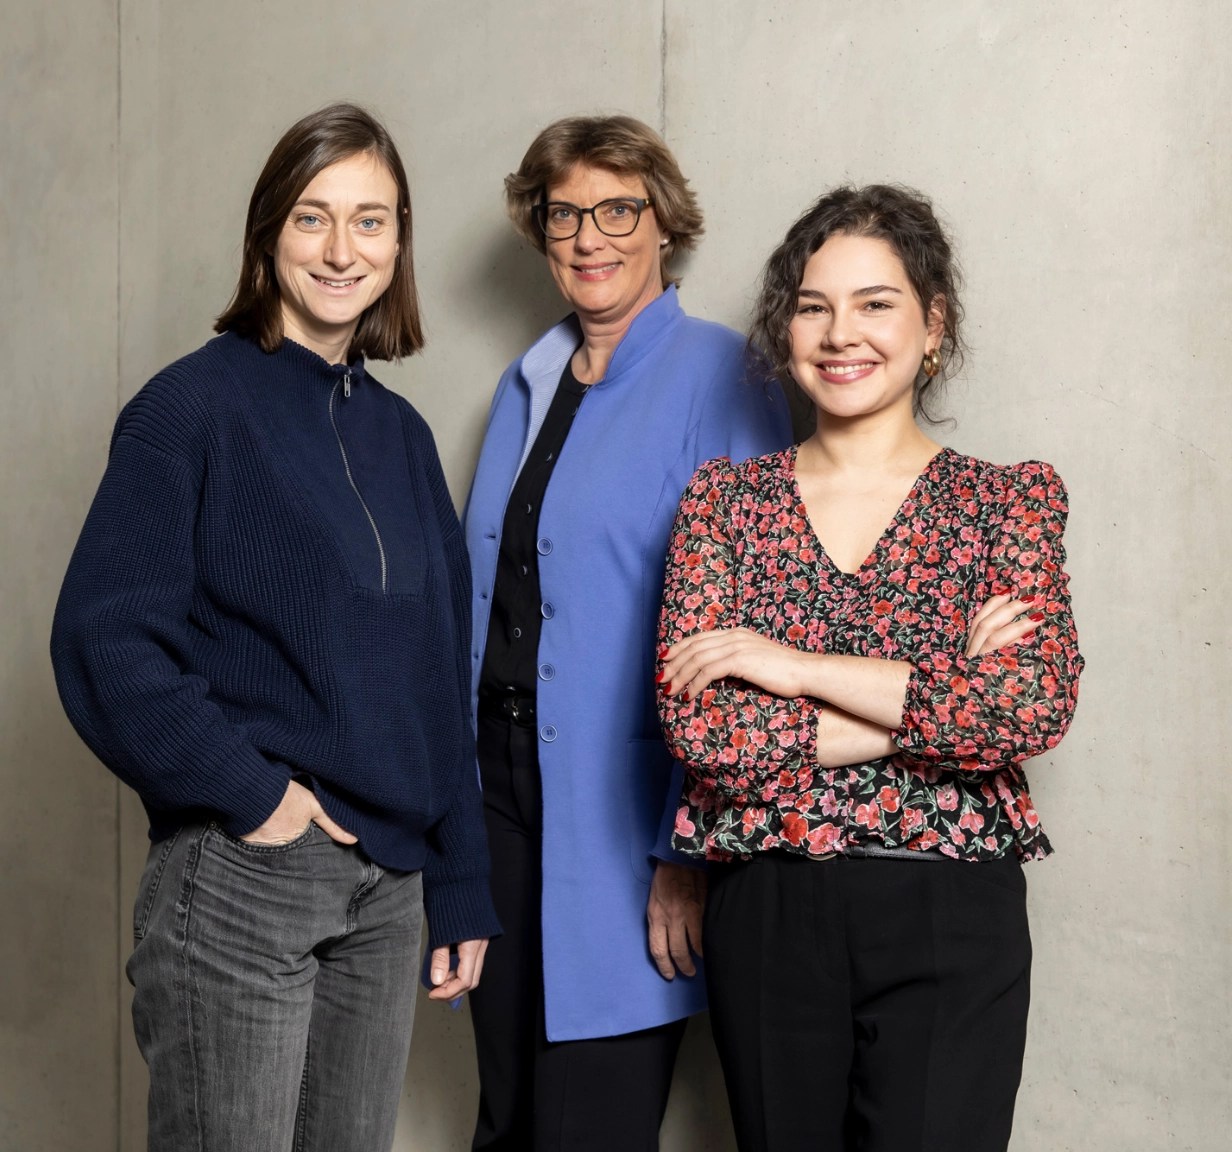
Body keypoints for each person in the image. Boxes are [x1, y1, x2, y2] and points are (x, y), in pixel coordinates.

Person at [49, 103, 499, 1152]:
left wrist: (462, 880)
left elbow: (438, 676)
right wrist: (258, 797)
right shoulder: (189, 409)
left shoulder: (402, 435)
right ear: (266, 235)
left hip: (389, 892)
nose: (343, 250)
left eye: (372, 221)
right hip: (248, 875)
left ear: (400, 243)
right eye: (313, 218)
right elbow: (105, 637)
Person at [656, 184, 1084, 1152]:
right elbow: (710, 735)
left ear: (935, 325)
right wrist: (935, 694)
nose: (840, 332)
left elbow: (1028, 709)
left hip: (950, 908)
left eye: (875, 303)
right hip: (769, 906)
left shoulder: (1003, 504)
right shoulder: (725, 504)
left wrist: (790, 662)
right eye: (814, 306)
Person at [462, 115, 792, 1151]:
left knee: (588, 1119)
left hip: (629, 805)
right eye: (565, 213)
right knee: (507, 1106)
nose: (589, 236)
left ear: (664, 224)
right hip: (495, 797)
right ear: (539, 229)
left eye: (618, 210)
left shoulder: (723, 375)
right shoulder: (530, 381)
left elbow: (756, 627)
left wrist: (683, 847)